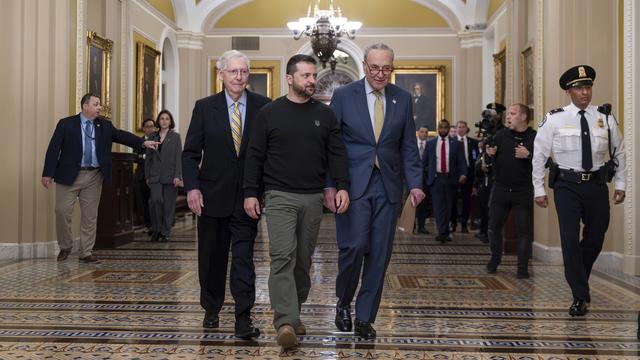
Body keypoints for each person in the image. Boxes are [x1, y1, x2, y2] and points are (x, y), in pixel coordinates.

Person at [243, 54, 350, 349]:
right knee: (282, 258)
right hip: (279, 196)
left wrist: (341, 186)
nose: (312, 81)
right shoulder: (269, 113)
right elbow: (254, 155)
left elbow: (337, 155)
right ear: (290, 78)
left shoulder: (325, 115)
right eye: (306, 76)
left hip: (313, 197)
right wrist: (251, 192)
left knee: (303, 263)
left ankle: (294, 309)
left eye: (314, 76)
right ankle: (286, 322)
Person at [326, 43, 425, 340]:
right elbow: (331, 145)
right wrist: (331, 185)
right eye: (374, 68)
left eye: (386, 68)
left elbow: (408, 145)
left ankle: (365, 317)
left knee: (379, 255)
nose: (380, 74)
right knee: (354, 246)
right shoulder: (344, 96)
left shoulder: (402, 99)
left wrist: (416, 183)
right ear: (365, 66)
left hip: (388, 186)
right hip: (353, 185)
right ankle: (343, 302)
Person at [182, 50, 271, 338]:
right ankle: (211, 307)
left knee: (244, 258)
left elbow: (268, 154)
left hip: (248, 198)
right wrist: (193, 188)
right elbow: (190, 154)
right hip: (211, 196)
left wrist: (260, 191)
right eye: (233, 72)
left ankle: (243, 318)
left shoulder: (263, 107)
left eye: (244, 71)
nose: (239, 77)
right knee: (212, 257)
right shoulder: (205, 107)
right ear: (221, 74)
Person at [532, 65, 626, 316]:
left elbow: (620, 152)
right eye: (579, 88)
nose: (585, 92)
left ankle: (579, 278)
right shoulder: (555, 118)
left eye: (588, 87)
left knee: (596, 236)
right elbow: (539, 155)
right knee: (570, 239)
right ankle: (580, 295)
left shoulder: (605, 118)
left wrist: (620, 184)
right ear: (568, 91)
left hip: (596, 184)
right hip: (566, 185)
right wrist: (538, 189)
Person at [42, 93, 158, 263]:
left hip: (94, 175)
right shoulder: (66, 124)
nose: (99, 108)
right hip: (68, 175)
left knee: (90, 216)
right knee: (62, 210)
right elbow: (54, 148)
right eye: (96, 104)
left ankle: (86, 252)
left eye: (100, 105)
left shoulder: (104, 125)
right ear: (85, 106)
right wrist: (48, 172)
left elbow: (122, 136)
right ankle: (65, 246)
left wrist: (143, 143)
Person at [484, 104, 536, 278]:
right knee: (494, 227)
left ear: (523, 117)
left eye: (512, 114)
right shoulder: (501, 135)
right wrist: (489, 153)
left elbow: (544, 160)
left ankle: (522, 268)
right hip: (501, 189)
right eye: (508, 114)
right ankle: (495, 259)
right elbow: (488, 156)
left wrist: (528, 155)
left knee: (524, 230)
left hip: (523, 191)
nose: (508, 117)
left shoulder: (534, 137)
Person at [423, 119, 466, 243]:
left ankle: (445, 231)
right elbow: (424, 162)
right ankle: (442, 232)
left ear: (448, 129)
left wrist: (463, 174)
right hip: (436, 179)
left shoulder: (456, 144)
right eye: (441, 128)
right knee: (438, 207)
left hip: (450, 178)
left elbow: (461, 161)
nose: (443, 130)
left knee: (448, 206)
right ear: (438, 129)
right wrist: (427, 176)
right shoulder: (431, 143)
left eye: (445, 128)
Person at [145, 110, 183, 242]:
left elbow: (179, 157)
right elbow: (148, 159)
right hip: (155, 176)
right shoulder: (152, 137)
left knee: (168, 206)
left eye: (167, 119)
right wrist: (147, 176)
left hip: (170, 176)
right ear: (158, 121)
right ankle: (156, 229)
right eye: (162, 118)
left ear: (170, 121)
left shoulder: (176, 137)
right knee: (155, 201)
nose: (164, 121)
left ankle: (165, 232)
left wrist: (178, 176)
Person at [450, 121, 478, 233]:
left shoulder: (473, 142)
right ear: (456, 129)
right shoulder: (451, 142)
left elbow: (475, 160)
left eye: (463, 127)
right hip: (454, 175)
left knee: (466, 200)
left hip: (469, 175)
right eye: (459, 127)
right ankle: (453, 223)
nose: (461, 129)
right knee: (453, 200)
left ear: (467, 129)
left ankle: (464, 223)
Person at [134, 118, 156, 234]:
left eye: (152, 126)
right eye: (147, 126)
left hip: (155, 177)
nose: (150, 128)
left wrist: (143, 157)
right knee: (144, 202)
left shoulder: (159, 141)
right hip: (141, 177)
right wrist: (146, 157)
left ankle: (157, 225)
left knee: (155, 201)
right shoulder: (138, 141)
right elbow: (135, 157)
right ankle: (148, 225)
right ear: (143, 129)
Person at [473, 139, 492, 243]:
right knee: (482, 211)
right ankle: (483, 231)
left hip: (491, 186)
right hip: (482, 186)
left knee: (489, 212)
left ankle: (488, 234)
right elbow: (476, 170)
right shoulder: (482, 155)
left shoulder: (494, 157)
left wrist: (487, 167)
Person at [415, 126, 431, 234]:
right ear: (418, 133)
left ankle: (421, 226)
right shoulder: (411, 144)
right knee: (411, 202)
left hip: (425, 178)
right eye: (422, 132)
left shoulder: (430, 145)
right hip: (412, 178)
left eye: (426, 132)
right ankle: (410, 225)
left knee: (423, 203)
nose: (424, 134)